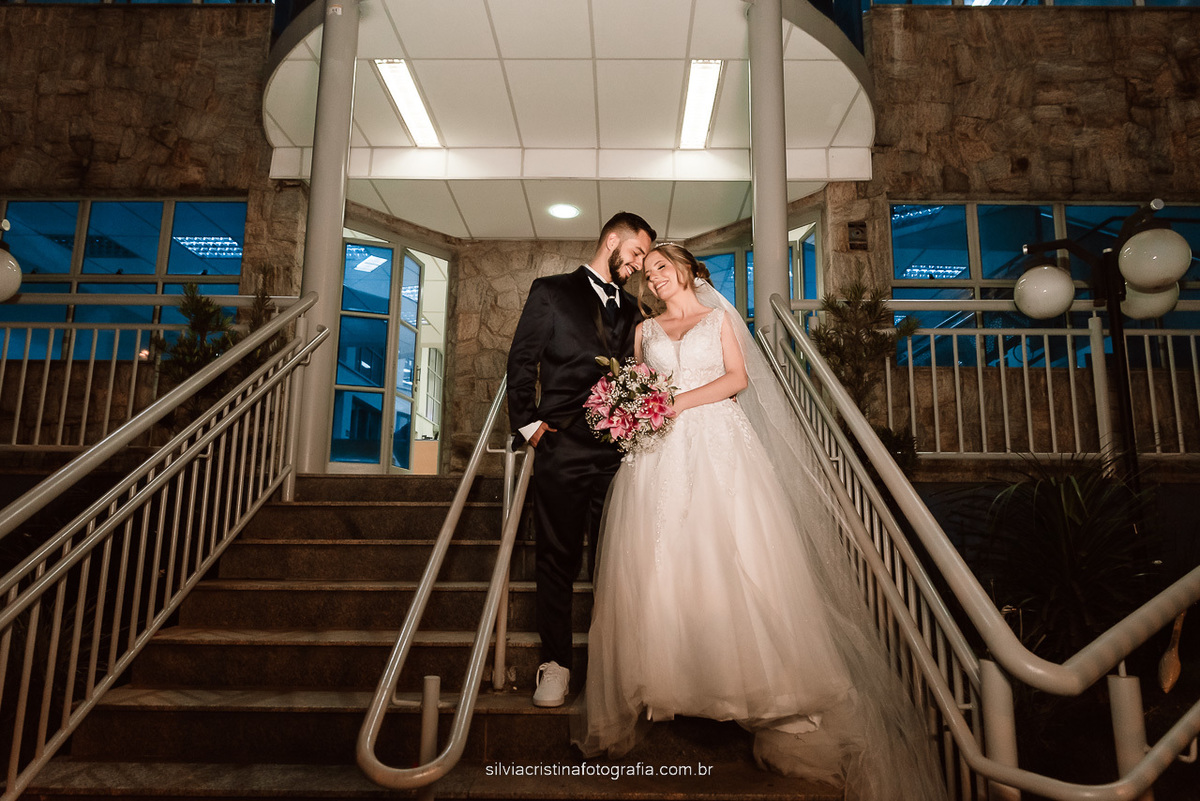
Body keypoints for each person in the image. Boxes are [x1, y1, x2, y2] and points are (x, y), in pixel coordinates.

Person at [572, 244, 946, 800]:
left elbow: (736, 380)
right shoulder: (643, 332)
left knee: (735, 552)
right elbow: (640, 386)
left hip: (718, 442)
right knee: (664, 559)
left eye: (661, 267)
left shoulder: (719, 318)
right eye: (647, 273)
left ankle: (761, 681)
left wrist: (676, 403)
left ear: (687, 271)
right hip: (661, 454)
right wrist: (632, 410)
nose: (654, 278)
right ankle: (674, 671)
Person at [505, 211, 657, 709]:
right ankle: (555, 665)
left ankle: (619, 669)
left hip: (620, 453)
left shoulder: (636, 311)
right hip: (563, 446)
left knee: (618, 559)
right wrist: (529, 427)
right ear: (612, 240)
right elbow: (522, 359)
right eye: (635, 253)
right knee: (557, 557)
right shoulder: (549, 291)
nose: (637, 265)